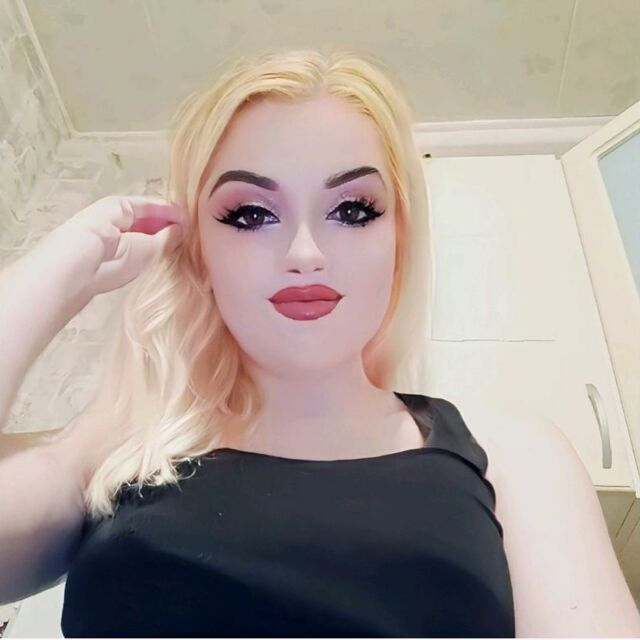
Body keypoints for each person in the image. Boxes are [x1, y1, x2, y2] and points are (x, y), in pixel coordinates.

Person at [2, 47, 637, 638]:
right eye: (251, 214)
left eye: (353, 210)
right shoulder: (119, 445)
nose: (304, 253)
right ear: (198, 253)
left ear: (399, 240)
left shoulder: (514, 458)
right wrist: (57, 272)